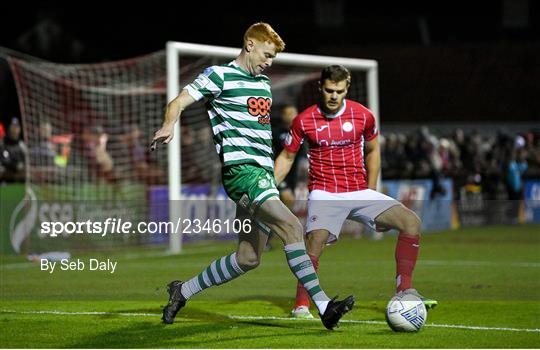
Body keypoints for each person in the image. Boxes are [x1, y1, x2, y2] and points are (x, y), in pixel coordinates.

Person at [151, 22, 354, 330]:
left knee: (247, 258)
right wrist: (169, 124)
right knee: (291, 227)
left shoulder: (263, 85)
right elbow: (178, 101)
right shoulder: (219, 76)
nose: (269, 62)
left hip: (262, 176)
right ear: (250, 44)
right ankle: (325, 307)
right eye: (267, 54)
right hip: (241, 173)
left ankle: (183, 290)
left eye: (273, 57)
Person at [274, 65, 438, 319]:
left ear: (346, 89)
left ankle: (405, 291)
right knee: (316, 239)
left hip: (358, 190)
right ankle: (301, 304)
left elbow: (373, 151)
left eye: (339, 91)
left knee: (411, 222)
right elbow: (287, 156)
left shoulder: (363, 116)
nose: (333, 96)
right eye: (329, 90)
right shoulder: (304, 120)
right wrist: (269, 186)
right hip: (324, 192)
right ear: (321, 87)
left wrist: (370, 191)